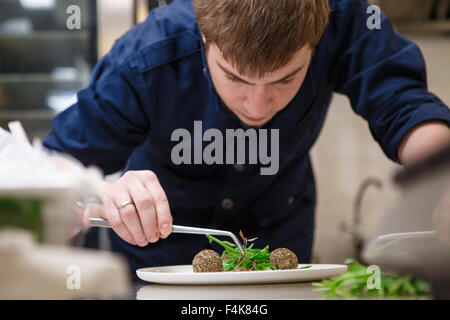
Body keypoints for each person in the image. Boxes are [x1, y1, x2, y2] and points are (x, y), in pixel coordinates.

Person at [43, 0, 450, 277]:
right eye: (235, 78)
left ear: (318, 40)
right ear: (204, 40)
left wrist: (441, 180)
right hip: (160, 264)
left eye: (286, 79)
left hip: (279, 249)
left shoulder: (343, 18)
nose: (257, 105)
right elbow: (50, 166)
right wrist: (99, 189)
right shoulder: (146, 56)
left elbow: (402, 104)